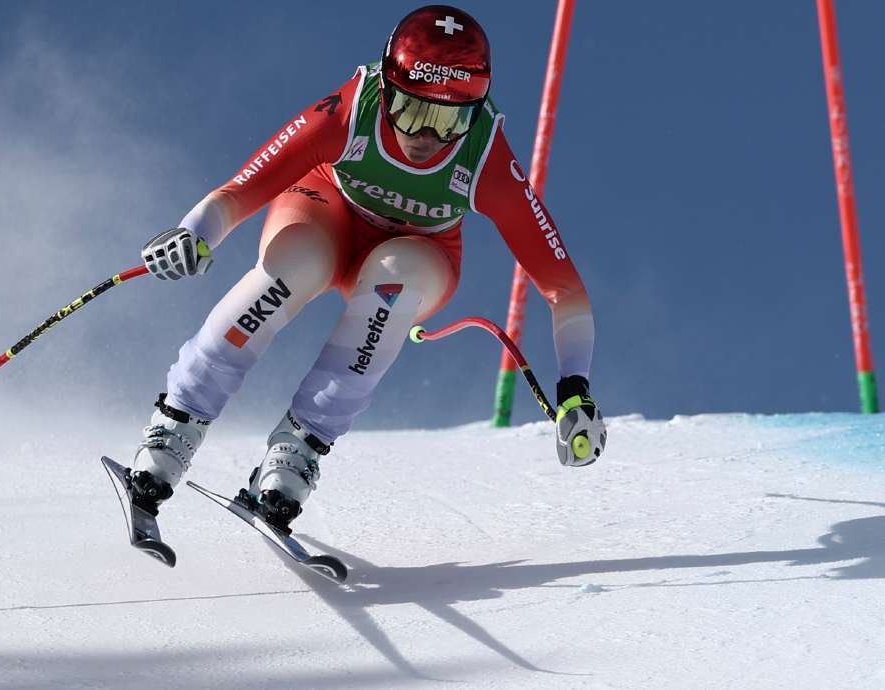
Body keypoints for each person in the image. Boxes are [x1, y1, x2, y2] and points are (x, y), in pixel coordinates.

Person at [130, 5, 606, 531]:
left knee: (395, 280)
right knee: (294, 265)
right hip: (324, 210)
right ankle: (174, 428)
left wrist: (575, 389)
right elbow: (248, 183)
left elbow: (562, 286)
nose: (425, 134)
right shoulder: (353, 110)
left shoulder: (484, 156)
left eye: (447, 120)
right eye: (409, 111)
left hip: (417, 251)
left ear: (473, 113)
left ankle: (298, 451)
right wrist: (195, 231)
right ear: (386, 87)